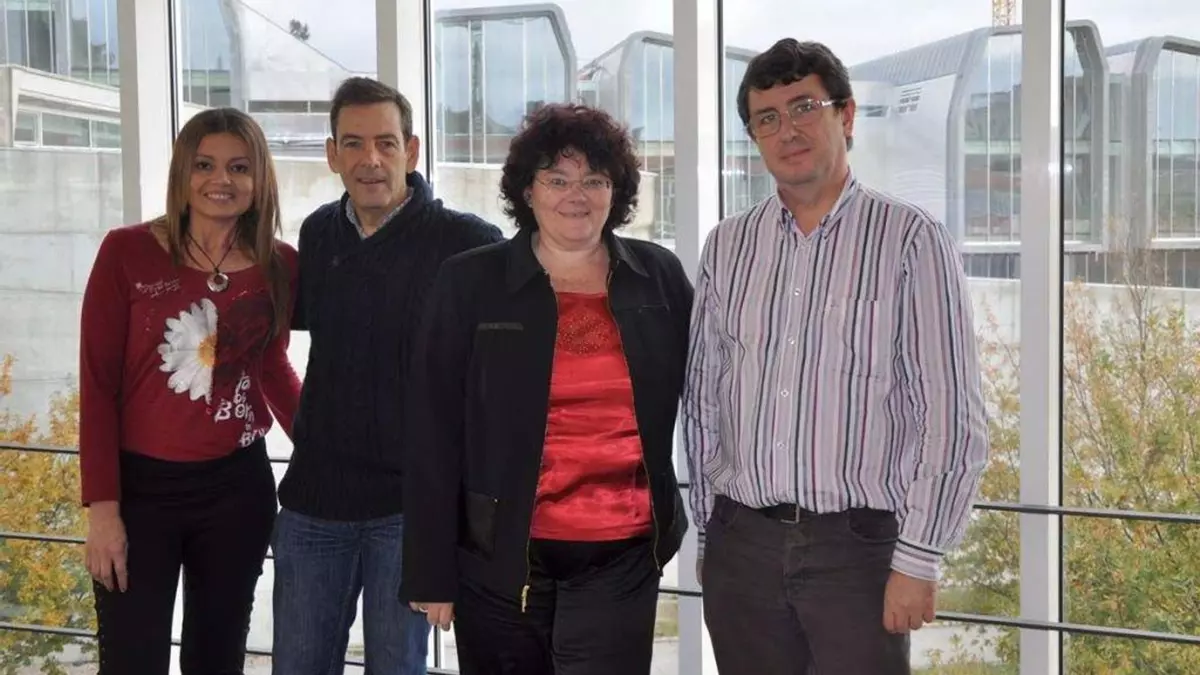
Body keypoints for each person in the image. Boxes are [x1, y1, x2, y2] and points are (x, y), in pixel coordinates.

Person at [682, 38, 990, 674]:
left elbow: (951, 415)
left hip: (856, 552)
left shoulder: (911, 239)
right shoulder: (728, 246)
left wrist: (919, 558)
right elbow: (705, 396)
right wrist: (710, 532)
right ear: (754, 136)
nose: (787, 130)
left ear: (846, 116)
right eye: (767, 118)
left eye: (804, 107)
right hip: (742, 546)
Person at [400, 102, 693, 675]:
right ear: (527, 190)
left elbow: (710, 393)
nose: (576, 195)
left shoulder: (658, 277)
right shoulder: (470, 281)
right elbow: (431, 429)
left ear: (616, 191)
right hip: (498, 559)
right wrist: (431, 571)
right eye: (557, 179)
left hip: (623, 553)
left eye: (594, 180)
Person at [271, 76, 503, 675]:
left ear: (412, 150)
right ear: (332, 155)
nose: (369, 159)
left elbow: (493, 389)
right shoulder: (318, 234)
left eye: (385, 142)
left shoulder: (469, 245)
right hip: (313, 507)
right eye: (352, 143)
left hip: (411, 514)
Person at [79, 107, 300, 675]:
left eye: (239, 167)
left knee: (218, 661)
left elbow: (271, 365)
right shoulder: (126, 251)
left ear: (259, 179)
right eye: (204, 165)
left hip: (237, 490)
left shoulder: (281, 265)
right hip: (140, 494)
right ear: (182, 172)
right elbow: (98, 386)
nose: (220, 180)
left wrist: (326, 448)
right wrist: (103, 512)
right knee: (130, 661)